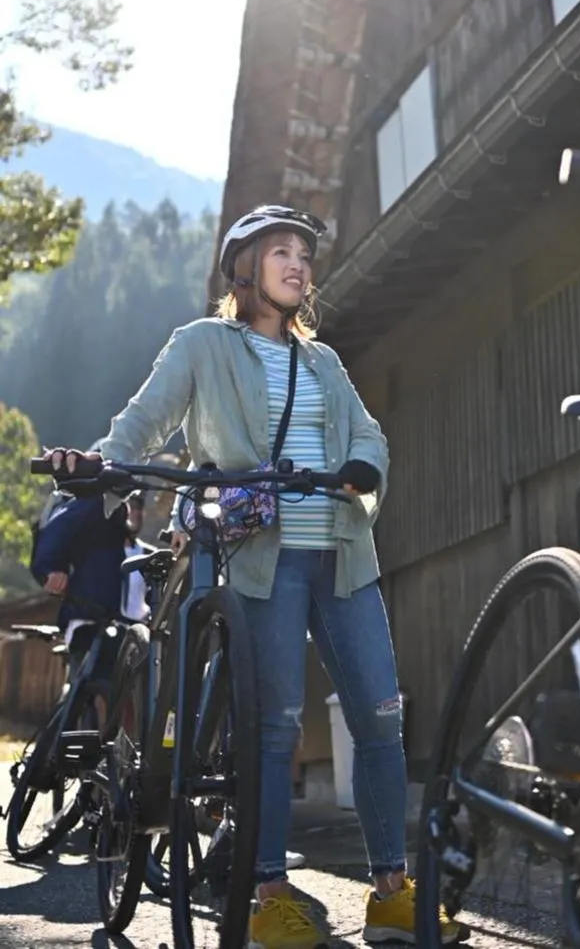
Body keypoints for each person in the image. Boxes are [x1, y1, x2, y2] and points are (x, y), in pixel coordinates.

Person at [46, 205, 464, 949]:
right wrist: (98, 465)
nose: (299, 265)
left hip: (342, 554)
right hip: (259, 558)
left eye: (305, 254)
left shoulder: (324, 362)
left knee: (380, 718)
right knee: (273, 727)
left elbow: (367, 432)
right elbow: (145, 421)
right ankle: (268, 891)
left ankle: (392, 893)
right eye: (282, 252)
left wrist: (363, 466)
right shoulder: (204, 344)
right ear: (245, 268)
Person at [31, 486, 139, 683]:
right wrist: (49, 568)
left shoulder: (128, 535)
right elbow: (58, 530)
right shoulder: (93, 502)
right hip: (88, 621)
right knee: (87, 688)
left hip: (121, 626)